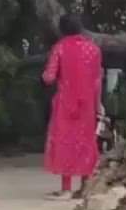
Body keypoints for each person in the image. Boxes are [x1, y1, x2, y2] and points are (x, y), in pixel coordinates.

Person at [42, 14, 103, 199]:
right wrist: (98, 104)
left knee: (65, 141)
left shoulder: (60, 48)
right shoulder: (93, 49)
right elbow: (97, 79)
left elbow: (49, 77)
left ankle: (66, 188)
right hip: (87, 103)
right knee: (85, 141)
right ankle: (85, 186)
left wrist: (46, 75)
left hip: (66, 102)